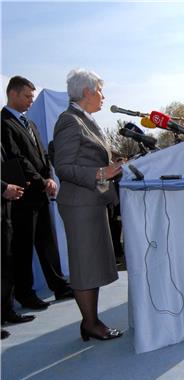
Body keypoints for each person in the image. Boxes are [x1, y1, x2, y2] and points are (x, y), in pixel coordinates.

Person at [53, 69, 123, 340]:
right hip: (79, 204)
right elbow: (64, 167)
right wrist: (101, 173)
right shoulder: (69, 121)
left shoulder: (85, 119)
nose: (104, 96)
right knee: (85, 266)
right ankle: (90, 324)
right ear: (87, 92)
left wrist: (113, 166)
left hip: (91, 203)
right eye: (100, 90)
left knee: (91, 265)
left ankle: (90, 321)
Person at [1, 75, 73, 310]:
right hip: (22, 194)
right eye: (27, 96)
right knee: (22, 247)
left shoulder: (29, 124)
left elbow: (42, 155)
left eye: (33, 97)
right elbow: (16, 158)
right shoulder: (4, 123)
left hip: (41, 192)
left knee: (47, 242)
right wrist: (41, 180)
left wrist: (49, 178)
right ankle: (25, 293)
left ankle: (59, 285)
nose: (31, 101)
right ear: (13, 94)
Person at [1, 144, 34, 339]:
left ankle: (6, 311)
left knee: (5, 261)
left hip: (4, 207)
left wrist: (16, 181)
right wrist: (4, 187)